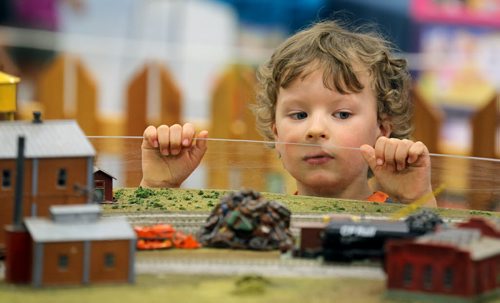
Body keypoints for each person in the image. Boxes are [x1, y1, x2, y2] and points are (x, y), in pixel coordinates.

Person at [140, 20, 437, 207]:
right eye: (298, 115)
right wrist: (158, 185)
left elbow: (436, 266)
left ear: (383, 129)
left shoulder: (399, 216)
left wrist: (417, 200)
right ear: (276, 132)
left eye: (342, 114)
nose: (315, 129)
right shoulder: (263, 217)